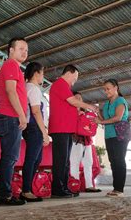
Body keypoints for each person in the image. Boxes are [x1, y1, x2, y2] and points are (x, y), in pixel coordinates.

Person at [48, 65, 97, 198]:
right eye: (74, 78)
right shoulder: (60, 84)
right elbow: (73, 102)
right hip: (60, 128)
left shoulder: (65, 87)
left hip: (66, 129)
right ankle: (58, 189)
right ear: (68, 73)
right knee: (61, 160)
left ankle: (63, 187)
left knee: (65, 161)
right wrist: (89, 106)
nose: (74, 82)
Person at [0, 37, 28, 206]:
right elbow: (10, 91)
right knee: (10, 157)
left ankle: (4, 192)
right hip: (10, 116)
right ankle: (5, 194)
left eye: (26, 50)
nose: (24, 52)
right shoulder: (11, 65)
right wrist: (22, 115)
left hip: (8, 116)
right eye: (21, 48)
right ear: (11, 50)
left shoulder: (14, 67)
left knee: (8, 156)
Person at [20, 61, 49, 202]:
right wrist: (44, 132)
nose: (43, 76)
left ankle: (27, 188)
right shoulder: (33, 88)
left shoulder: (27, 87)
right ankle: (26, 190)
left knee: (35, 159)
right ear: (36, 73)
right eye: (42, 73)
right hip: (34, 127)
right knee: (32, 160)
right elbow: (36, 111)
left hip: (31, 127)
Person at [70, 91, 101, 193]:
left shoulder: (87, 113)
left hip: (87, 140)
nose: (79, 99)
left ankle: (89, 185)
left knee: (88, 163)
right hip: (75, 140)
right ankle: (74, 185)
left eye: (80, 98)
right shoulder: (70, 111)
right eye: (76, 98)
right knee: (74, 162)